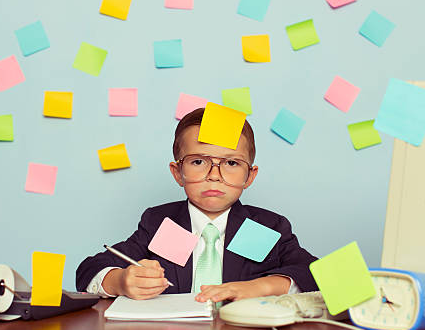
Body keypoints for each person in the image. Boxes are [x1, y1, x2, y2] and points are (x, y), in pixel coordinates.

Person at [76, 108, 318, 303]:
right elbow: (87, 270)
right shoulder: (161, 223)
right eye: (199, 161)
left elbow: (316, 274)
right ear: (177, 172)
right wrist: (120, 281)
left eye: (232, 163)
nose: (214, 175)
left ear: (249, 176)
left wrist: (262, 286)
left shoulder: (267, 227)